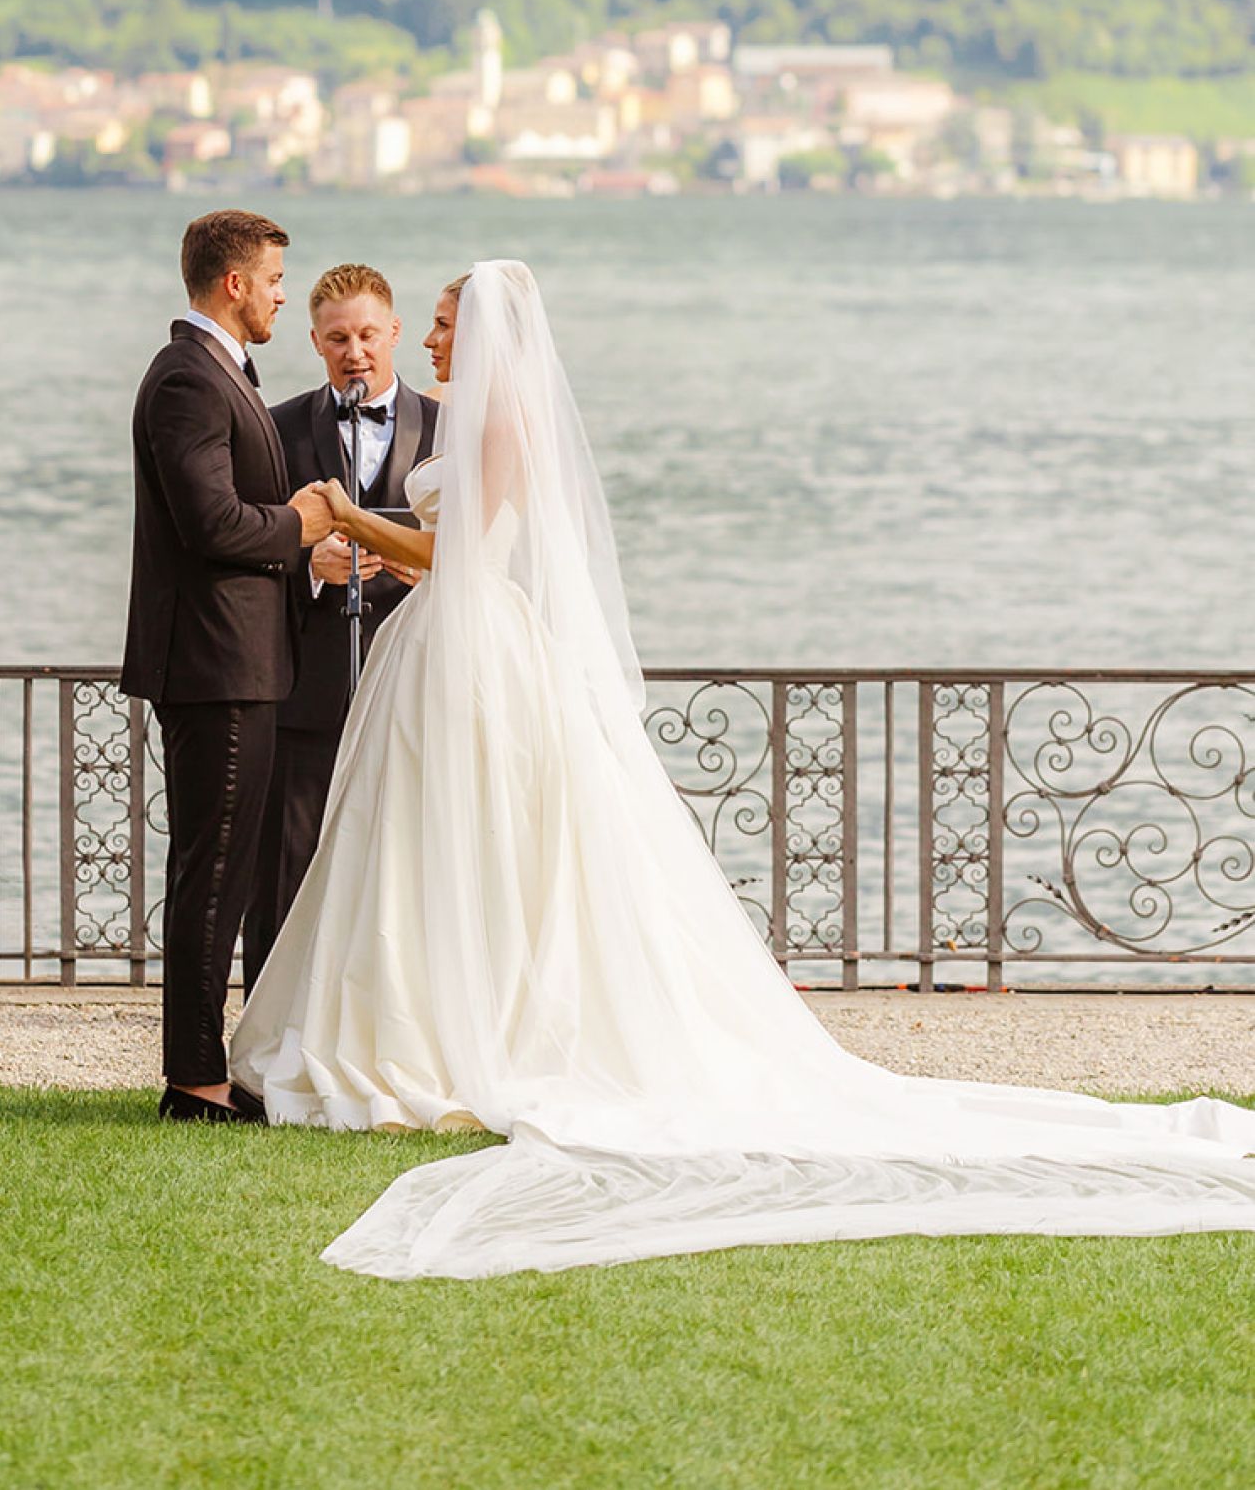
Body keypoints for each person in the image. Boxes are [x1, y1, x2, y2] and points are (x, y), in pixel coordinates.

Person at [233, 260, 1255, 1275]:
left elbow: (464, 558)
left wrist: (344, 519)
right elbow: (447, 542)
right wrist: (367, 540)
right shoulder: (478, 419)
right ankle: (435, 1018)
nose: (433, 342)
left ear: (486, 330)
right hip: (448, 644)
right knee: (431, 844)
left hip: (472, 642)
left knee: (468, 839)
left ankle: (458, 1029)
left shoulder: (500, 424)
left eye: (446, 322)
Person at [121, 209, 334, 1124]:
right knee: (211, 875)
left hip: (243, 662)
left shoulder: (219, 374)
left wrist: (301, 553)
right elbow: (211, 523)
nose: (285, 293)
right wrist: (300, 526)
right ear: (233, 283)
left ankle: (216, 1068)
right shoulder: (188, 380)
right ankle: (195, 1082)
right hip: (216, 665)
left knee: (228, 872)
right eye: (277, 278)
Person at [241, 263, 441, 990]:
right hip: (308, 691)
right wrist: (306, 561)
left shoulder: (450, 431)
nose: (354, 351)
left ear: (393, 332)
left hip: (418, 687)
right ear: (316, 344)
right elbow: (249, 547)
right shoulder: (277, 427)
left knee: (409, 871)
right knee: (285, 872)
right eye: (336, 339)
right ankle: (268, 1040)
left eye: (366, 334)